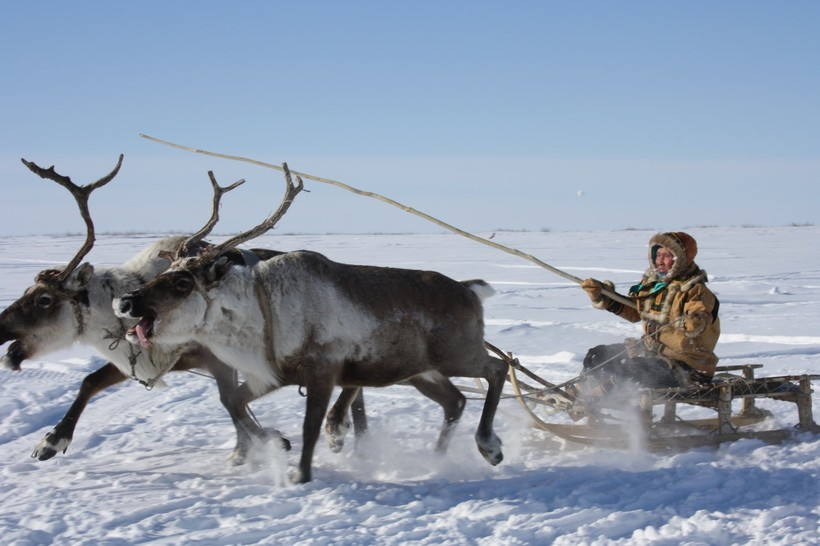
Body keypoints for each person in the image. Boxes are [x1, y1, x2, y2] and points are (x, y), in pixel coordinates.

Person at [575, 231, 720, 406]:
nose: (660, 260)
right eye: (658, 254)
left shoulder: (696, 291)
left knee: (629, 370)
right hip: (651, 353)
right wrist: (604, 297)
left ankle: (592, 401)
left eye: (667, 256)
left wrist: (695, 320)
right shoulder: (655, 286)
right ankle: (580, 392)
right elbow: (636, 313)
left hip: (685, 367)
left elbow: (699, 314)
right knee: (598, 356)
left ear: (682, 259)